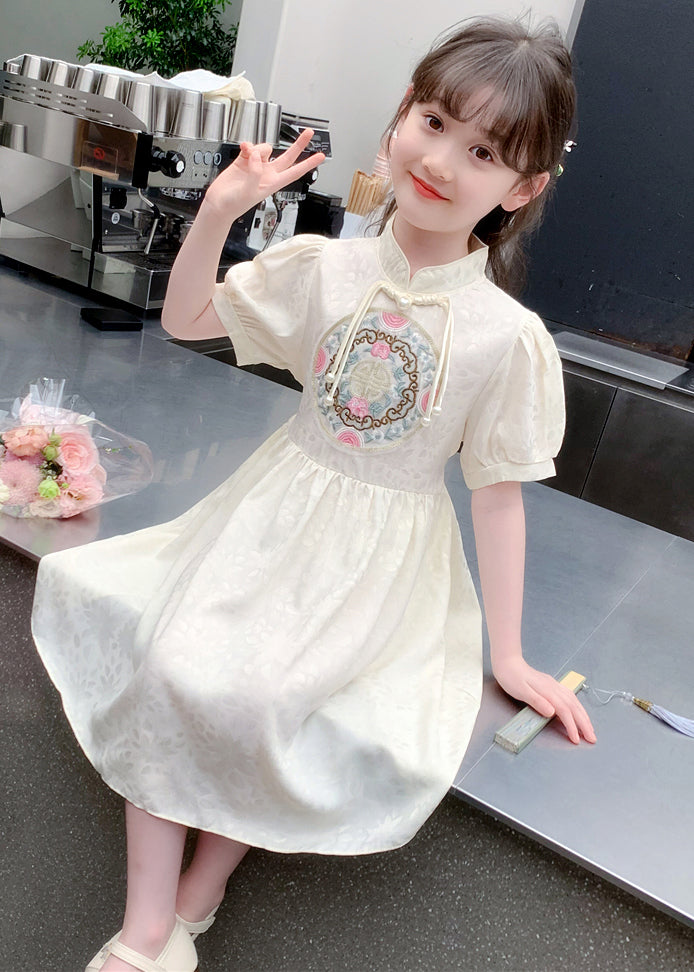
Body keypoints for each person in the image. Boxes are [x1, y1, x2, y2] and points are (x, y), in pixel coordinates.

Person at [31, 16, 596, 972]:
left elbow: (498, 497)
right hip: (269, 517)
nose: (441, 161)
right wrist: (219, 211)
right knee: (172, 663)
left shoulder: (508, 337)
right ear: (401, 115)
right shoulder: (325, 267)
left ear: (523, 188)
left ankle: (199, 895)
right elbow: (188, 318)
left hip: (385, 561)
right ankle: (145, 931)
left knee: (272, 701)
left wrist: (508, 654)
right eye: (434, 122)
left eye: (484, 152)